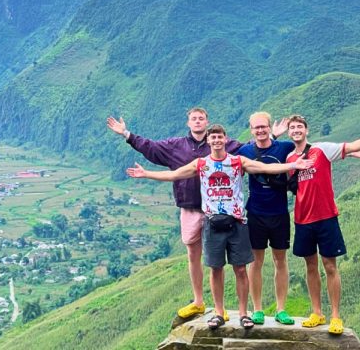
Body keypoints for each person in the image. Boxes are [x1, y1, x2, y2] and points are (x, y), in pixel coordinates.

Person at [126, 124, 314, 329]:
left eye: (219, 137)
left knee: (241, 269)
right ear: (208, 141)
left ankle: (244, 313)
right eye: (213, 137)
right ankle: (219, 312)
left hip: (237, 222)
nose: (216, 140)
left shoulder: (237, 161)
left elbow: (266, 167)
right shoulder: (200, 164)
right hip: (212, 223)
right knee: (216, 269)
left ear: (226, 140)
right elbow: (174, 175)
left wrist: (293, 166)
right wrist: (147, 174)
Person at [107, 108, 287, 320]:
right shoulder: (176, 145)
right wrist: (127, 135)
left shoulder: (226, 144)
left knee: (233, 263)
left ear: (208, 122)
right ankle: (199, 302)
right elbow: (151, 148)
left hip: (225, 213)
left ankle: (236, 311)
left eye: (201, 118)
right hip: (191, 207)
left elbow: (251, 152)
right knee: (196, 256)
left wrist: (271, 136)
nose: (198, 121)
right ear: (188, 123)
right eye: (194, 118)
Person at [237, 112, 360, 326]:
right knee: (257, 262)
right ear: (251, 129)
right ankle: (258, 310)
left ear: (270, 127)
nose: (260, 130)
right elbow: (225, 161)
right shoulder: (246, 151)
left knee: (282, 261)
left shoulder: (284, 148)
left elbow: (317, 149)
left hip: (282, 213)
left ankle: (283, 310)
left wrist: (350, 153)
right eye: (256, 127)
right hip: (258, 213)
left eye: (264, 126)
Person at [286, 115, 360, 334]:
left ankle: (336, 316)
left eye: (300, 126)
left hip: (326, 217)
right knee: (310, 266)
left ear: (306, 130)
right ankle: (317, 312)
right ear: (289, 133)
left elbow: (351, 145)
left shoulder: (322, 149)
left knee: (330, 265)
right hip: (302, 219)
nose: (296, 130)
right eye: (292, 127)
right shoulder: (289, 158)